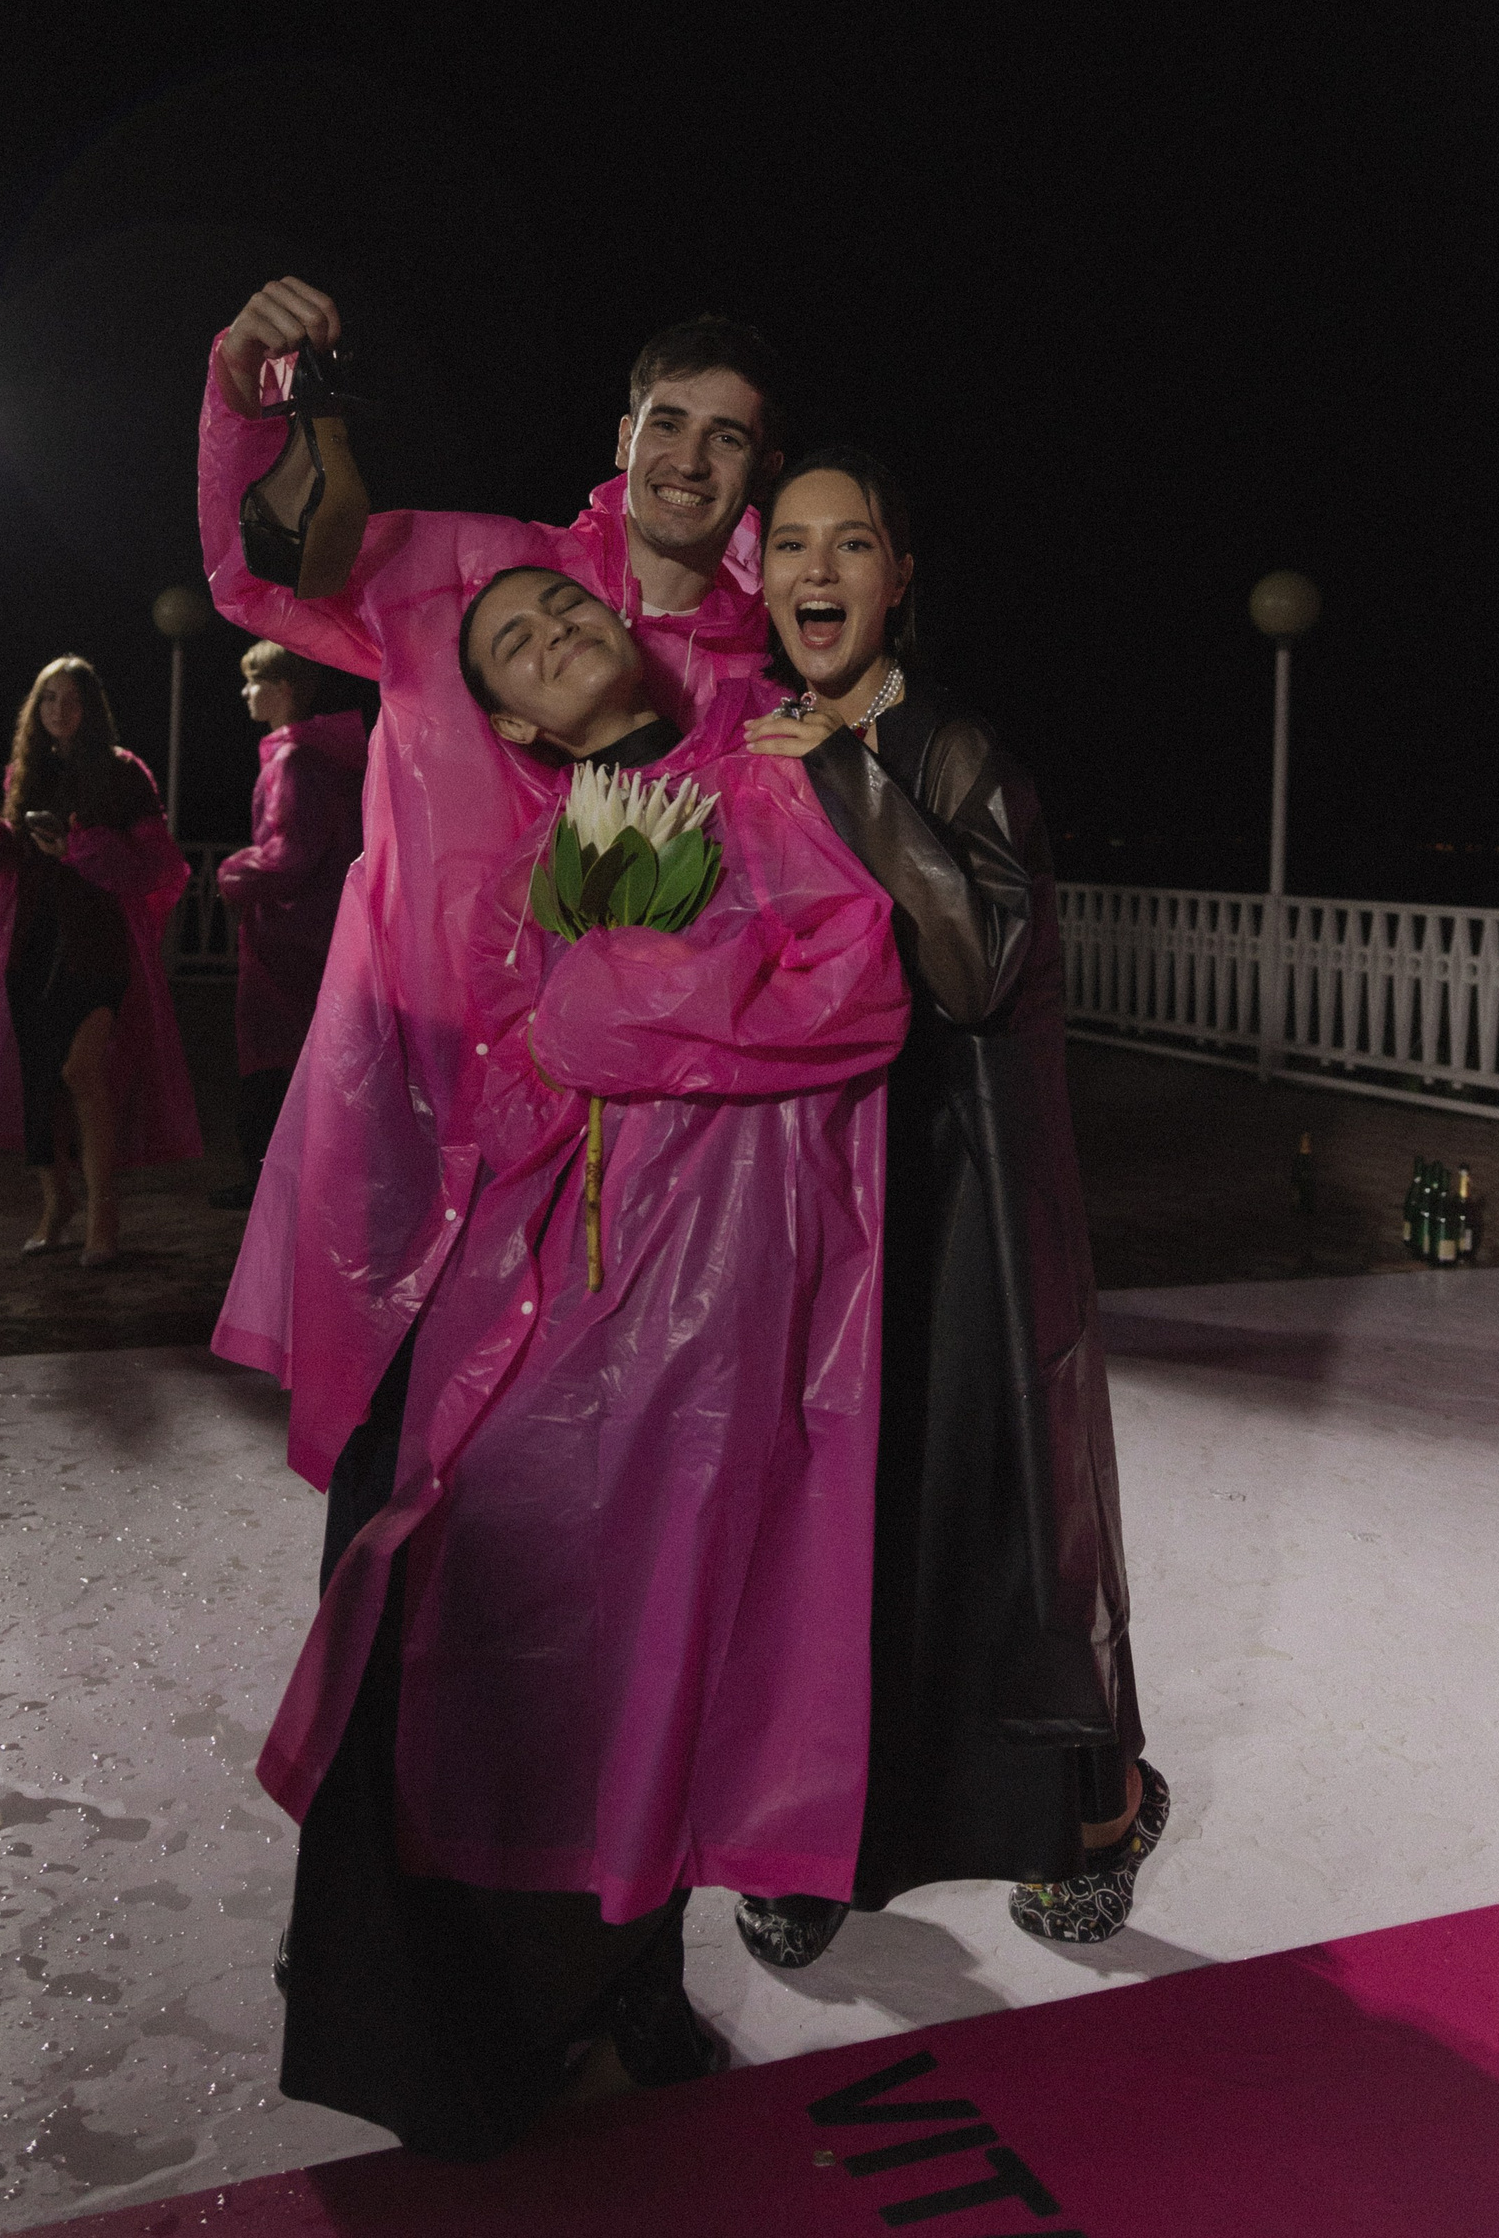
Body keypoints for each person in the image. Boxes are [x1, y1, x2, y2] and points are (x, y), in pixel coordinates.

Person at [258, 573, 909, 2157]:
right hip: (574, 1286)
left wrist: (624, 997)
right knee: (500, 1616)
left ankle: (616, 1998)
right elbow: (516, 1067)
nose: (553, 636)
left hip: (732, 1274)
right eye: (515, 649)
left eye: (562, 610)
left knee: (673, 1626)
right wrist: (570, 1031)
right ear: (517, 724)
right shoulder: (545, 851)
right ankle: (517, 2010)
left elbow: (858, 980)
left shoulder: (759, 772)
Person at [201, 278, 781, 1493]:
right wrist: (253, 395)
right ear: (623, 436)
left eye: (726, 437)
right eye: (668, 423)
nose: (688, 460)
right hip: (411, 1089)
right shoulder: (485, 574)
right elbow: (269, 577)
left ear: (757, 470)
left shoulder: (753, 679)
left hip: (617, 1148)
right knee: (388, 1459)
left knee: (559, 1489)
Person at [742, 449, 1166, 1954]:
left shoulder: (953, 747)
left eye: (852, 543)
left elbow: (979, 968)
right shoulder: (740, 741)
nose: (818, 570)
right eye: (792, 543)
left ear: (899, 578)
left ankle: (1086, 1804)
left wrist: (842, 772)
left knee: (989, 1510)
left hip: (953, 1194)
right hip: (799, 1190)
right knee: (810, 1518)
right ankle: (802, 1824)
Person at [0, 657, 200, 1263]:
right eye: (49, 699)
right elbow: (6, 862)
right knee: (38, 1079)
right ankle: (56, 1203)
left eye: (72, 699)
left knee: (84, 1071)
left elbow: (159, 864)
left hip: (98, 940)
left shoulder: (123, 773)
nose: (60, 710)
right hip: (34, 938)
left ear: (91, 708)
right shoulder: (26, 772)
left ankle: (103, 1213)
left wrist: (79, 848)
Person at [211, 641, 369, 1207]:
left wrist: (232, 874)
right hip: (321, 925)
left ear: (282, 689)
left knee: (274, 1056)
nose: (245, 692)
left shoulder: (294, 760)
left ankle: (267, 1179)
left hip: (289, 934)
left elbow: (290, 853)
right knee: (307, 1053)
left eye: (254, 681)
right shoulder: (327, 756)